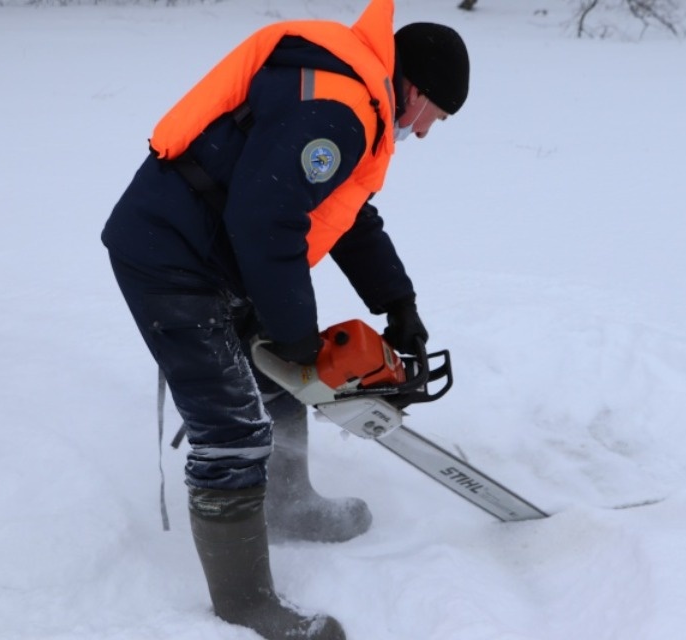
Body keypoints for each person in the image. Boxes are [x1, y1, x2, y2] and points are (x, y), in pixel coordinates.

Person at [100, 0, 469, 637]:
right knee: (232, 427)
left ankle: (288, 505)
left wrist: (397, 302)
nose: (427, 131)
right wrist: (298, 335)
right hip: (170, 257)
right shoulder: (339, 108)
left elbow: (346, 213)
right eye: (433, 116)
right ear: (416, 88)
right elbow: (264, 219)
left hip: (213, 249)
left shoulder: (354, 96)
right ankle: (244, 603)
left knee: (276, 379)